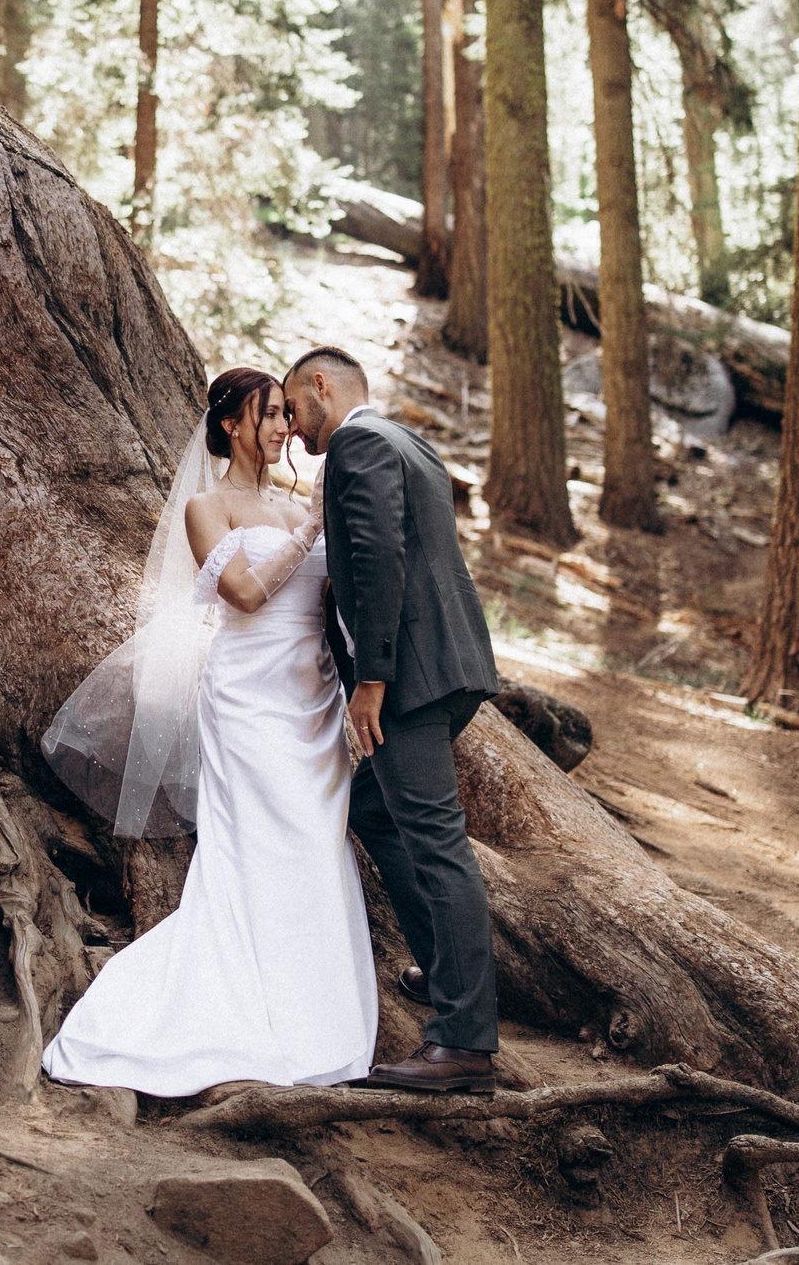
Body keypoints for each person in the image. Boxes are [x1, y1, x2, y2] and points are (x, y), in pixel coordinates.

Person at [37, 368, 378, 1094]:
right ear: (229, 425)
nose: (286, 429)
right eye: (270, 416)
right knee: (257, 841)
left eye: (289, 415)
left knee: (317, 840)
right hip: (248, 699)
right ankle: (232, 1000)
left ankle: (313, 1010)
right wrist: (315, 527)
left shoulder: (297, 501)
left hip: (312, 699)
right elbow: (246, 595)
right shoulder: (205, 506)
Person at [285, 343, 505, 1094]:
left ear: (321, 386)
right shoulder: (410, 441)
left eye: (292, 408)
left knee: (438, 842)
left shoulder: (354, 443)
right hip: (453, 666)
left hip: (407, 677)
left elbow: (378, 554)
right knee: (373, 808)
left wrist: (372, 676)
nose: (293, 427)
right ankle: (448, 972)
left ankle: (463, 1041)